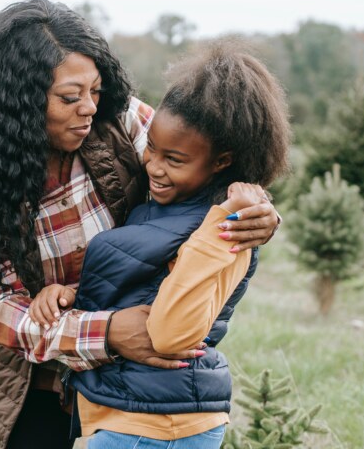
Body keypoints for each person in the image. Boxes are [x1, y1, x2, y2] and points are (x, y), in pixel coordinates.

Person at [0, 0, 280, 449]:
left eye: (96, 90)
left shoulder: (121, 123)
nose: (88, 107)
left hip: (132, 381)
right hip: (36, 376)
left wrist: (257, 210)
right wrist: (110, 332)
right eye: (69, 97)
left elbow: (209, 167)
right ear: (19, 103)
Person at [27, 43, 291, 448]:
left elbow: (170, 333)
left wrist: (215, 230)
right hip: (128, 413)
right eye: (151, 148)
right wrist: (69, 296)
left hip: (157, 423)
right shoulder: (161, 207)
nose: (152, 165)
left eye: (174, 159)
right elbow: (144, 285)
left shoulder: (228, 229)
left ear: (221, 161)